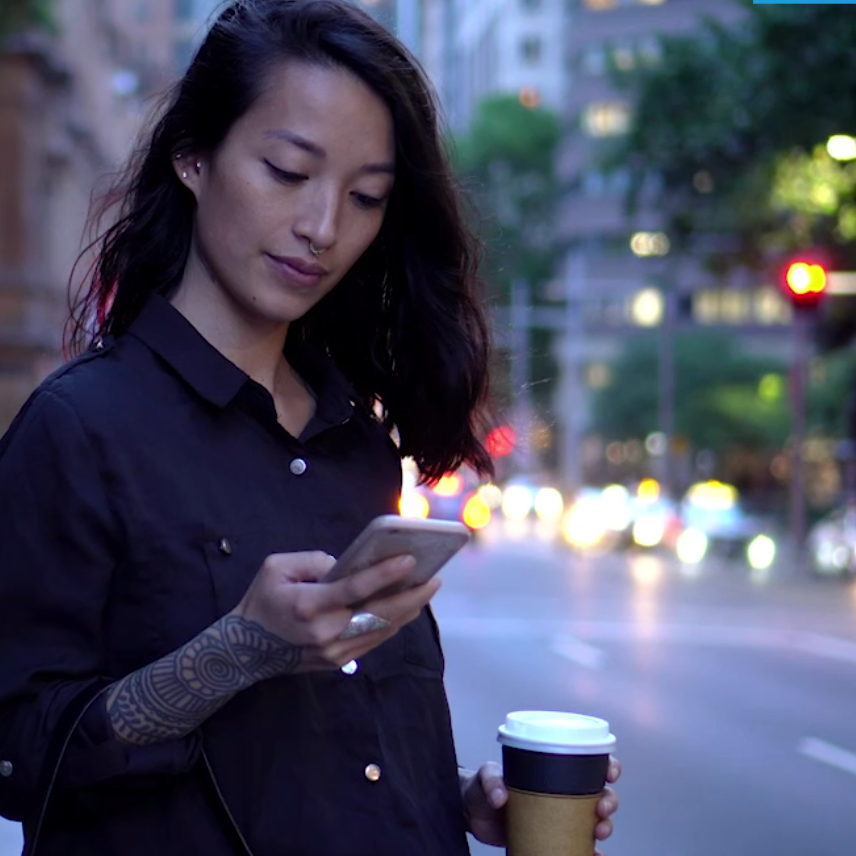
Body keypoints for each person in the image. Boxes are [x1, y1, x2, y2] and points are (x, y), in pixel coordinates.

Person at [0, 2, 620, 854]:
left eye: (366, 197)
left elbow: (331, 747)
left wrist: (461, 799)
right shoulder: (79, 430)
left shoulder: (357, 446)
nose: (324, 229)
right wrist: (237, 651)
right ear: (194, 155)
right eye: (289, 172)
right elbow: (17, 752)